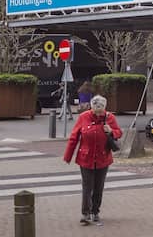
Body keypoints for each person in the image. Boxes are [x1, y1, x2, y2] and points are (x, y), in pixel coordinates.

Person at [63, 95, 123, 226]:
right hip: (86, 158)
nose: (98, 113)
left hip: (103, 157)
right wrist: (68, 155)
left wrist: (111, 131)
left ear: (104, 108)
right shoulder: (84, 117)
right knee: (87, 186)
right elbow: (74, 137)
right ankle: (85, 213)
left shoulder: (110, 117)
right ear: (92, 108)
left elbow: (119, 133)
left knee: (98, 187)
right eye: (96, 111)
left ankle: (95, 212)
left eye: (100, 111)